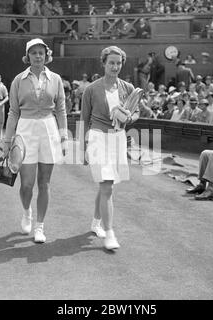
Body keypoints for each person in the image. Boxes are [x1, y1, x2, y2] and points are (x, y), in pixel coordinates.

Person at [2, 38, 68, 243]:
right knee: (27, 185)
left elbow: (61, 110)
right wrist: (7, 142)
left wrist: (64, 136)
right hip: (25, 131)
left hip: (49, 130)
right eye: (34, 53)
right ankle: (26, 212)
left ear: (46, 55)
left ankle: (39, 227)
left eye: (41, 52)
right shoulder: (17, 80)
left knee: (44, 183)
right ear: (27, 56)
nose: (38, 56)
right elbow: (13, 112)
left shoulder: (56, 79)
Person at [80, 46, 140, 250]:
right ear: (104, 63)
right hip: (97, 138)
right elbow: (84, 119)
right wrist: (82, 148)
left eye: (118, 63)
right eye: (111, 62)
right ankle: (110, 233)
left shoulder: (128, 88)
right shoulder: (91, 89)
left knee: (106, 184)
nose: (115, 66)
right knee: (107, 185)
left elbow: (136, 111)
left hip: (118, 139)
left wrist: (130, 117)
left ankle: (96, 223)